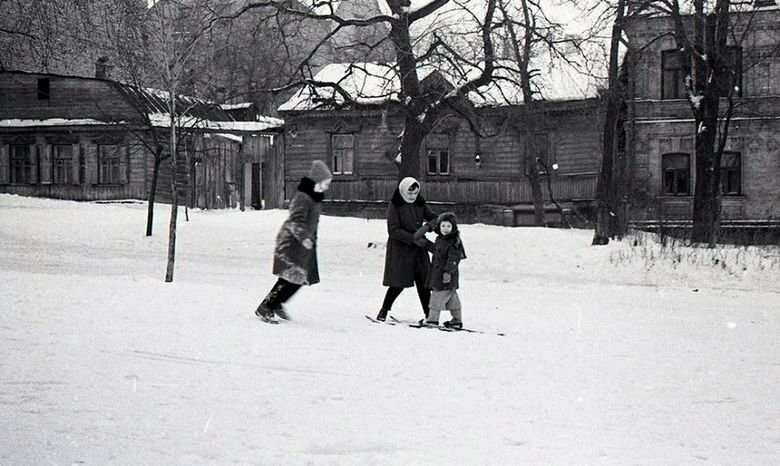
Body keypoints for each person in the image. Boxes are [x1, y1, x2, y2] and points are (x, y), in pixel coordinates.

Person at [255, 160, 333, 324]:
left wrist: (310, 239)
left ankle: (276, 304)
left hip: (303, 243)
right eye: (326, 182)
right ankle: (266, 306)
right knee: (289, 277)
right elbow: (295, 220)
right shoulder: (303, 197)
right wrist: (304, 237)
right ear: (317, 180)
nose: (327, 186)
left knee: (299, 278)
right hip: (291, 242)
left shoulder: (314, 198)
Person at [375, 177, 437, 322]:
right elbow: (393, 230)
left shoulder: (420, 203)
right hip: (401, 249)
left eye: (415, 194)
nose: (412, 197)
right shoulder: (395, 205)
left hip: (419, 250)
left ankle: (429, 315)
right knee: (398, 283)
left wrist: (428, 226)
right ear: (403, 191)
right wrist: (413, 239)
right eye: (409, 194)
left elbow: (434, 217)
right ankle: (384, 310)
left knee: (423, 283)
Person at [412, 212, 467, 329]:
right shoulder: (440, 239)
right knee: (452, 299)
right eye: (443, 226)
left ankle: (432, 320)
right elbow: (437, 251)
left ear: (453, 227)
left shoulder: (454, 242)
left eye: (448, 226)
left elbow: (454, 259)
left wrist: (448, 272)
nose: (445, 229)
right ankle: (456, 320)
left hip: (445, 276)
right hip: (439, 275)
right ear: (439, 227)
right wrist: (426, 244)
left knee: (436, 298)